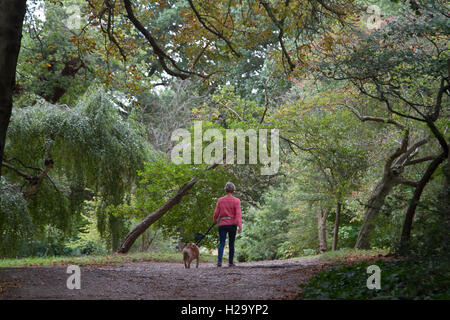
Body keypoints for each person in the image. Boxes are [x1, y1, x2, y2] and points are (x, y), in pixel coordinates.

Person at [213, 181, 242, 267]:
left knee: (222, 243)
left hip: (222, 224)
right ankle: (230, 262)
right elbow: (238, 214)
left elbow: (216, 212)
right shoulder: (236, 201)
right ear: (233, 190)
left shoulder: (220, 200)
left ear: (225, 190)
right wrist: (239, 225)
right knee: (231, 243)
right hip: (232, 224)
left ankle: (219, 261)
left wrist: (214, 219)